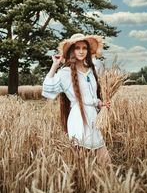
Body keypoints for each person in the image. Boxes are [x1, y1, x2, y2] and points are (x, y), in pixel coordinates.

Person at [42, 33, 111, 166]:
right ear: (72, 50)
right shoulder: (65, 73)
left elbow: (92, 97)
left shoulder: (92, 70)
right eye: (77, 48)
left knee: (105, 162)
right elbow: (48, 91)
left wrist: (100, 103)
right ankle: (80, 185)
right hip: (78, 119)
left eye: (84, 48)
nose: (81, 51)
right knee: (80, 162)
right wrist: (55, 66)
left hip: (93, 118)